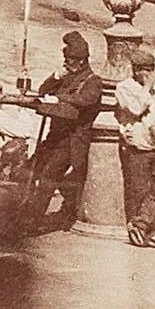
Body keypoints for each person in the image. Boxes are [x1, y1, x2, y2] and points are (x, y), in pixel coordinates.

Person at [18, 29, 105, 233]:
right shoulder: (66, 76)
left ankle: (32, 222)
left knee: (48, 178)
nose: (66, 64)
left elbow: (86, 100)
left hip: (71, 140)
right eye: (65, 60)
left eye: (69, 60)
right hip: (54, 137)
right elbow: (43, 90)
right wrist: (56, 77)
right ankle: (24, 211)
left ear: (81, 61)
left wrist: (59, 99)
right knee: (31, 168)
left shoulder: (93, 80)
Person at [112, 45, 155, 247]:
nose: (150, 74)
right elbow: (135, 109)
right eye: (146, 69)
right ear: (136, 70)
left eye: (152, 69)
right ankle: (150, 234)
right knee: (140, 192)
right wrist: (145, 89)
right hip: (139, 147)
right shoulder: (124, 88)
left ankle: (140, 225)